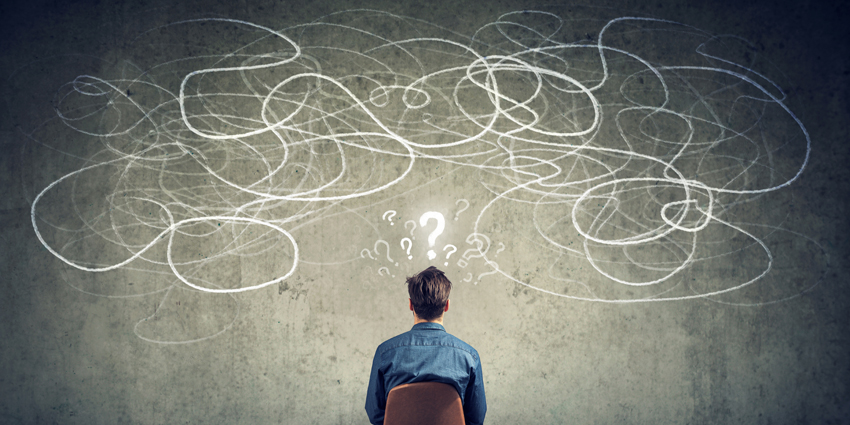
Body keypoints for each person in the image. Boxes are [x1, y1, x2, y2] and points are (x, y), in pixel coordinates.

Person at [365, 266, 486, 425]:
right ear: (446, 306)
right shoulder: (469, 356)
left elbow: (375, 414)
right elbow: (475, 419)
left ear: (410, 305)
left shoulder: (385, 353)